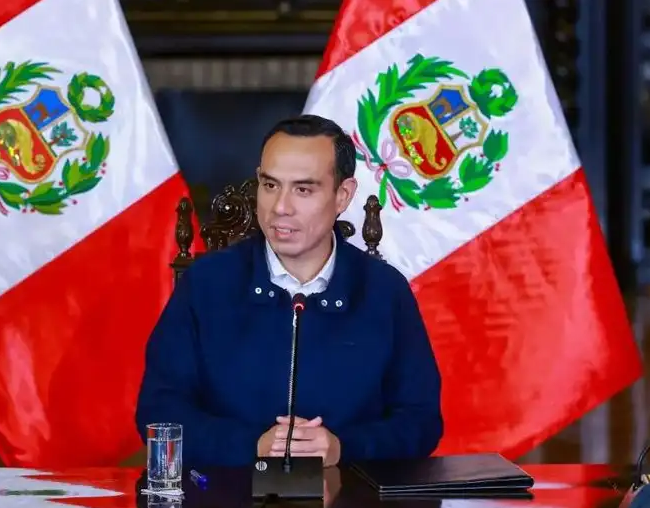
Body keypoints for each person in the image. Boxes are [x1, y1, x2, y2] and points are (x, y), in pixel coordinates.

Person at [135, 114, 443, 468]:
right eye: (270, 186)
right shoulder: (207, 283)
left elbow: (420, 421)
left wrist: (344, 448)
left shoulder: (384, 290)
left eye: (303, 189)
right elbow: (158, 413)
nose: (280, 207)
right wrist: (252, 446)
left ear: (342, 195)